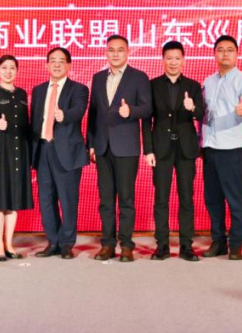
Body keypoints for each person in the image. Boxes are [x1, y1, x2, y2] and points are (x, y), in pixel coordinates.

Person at [87, 35, 152, 262]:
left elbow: (148, 109)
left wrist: (131, 111)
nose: (115, 54)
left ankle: (126, 245)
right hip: (102, 147)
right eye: (111, 50)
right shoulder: (97, 78)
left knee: (126, 199)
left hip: (126, 148)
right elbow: (93, 113)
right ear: (106, 52)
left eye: (120, 50)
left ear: (128, 52)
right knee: (105, 200)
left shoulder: (139, 77)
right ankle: (107, 244)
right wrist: (91, 144)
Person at [142, 41, 205, 260]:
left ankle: (187, 245)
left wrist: (192, 108)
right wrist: (148, 150)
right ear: (163, 60)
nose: (173, 62)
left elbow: (201, 114)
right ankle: (162, 245)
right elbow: (146, 121)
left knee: (186, 198)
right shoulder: (152, 85)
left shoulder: (193, 86)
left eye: (177, 58)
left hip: (186, 149)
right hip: (161, 149)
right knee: (161, 198)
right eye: (169, 58)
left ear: (184, 60)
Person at [201, 35, 242, 260]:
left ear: (237, 54)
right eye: (220, 50)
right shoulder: (208, 81)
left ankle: (235, 244)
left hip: (232, 148)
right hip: (209, 147)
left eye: (230, 50)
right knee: (212, 199)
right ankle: (218, 241)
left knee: (234, 198)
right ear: (214, 54)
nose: (225, 54)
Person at [30, 47, 90, 259]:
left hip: (67, 152)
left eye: (61, 61)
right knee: (46, 199)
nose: (57, 64)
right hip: (43, 150)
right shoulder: (38, 90)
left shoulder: (79, 89)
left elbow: (79, 111)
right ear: (47, 65)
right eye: (53, 61)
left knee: (68, 200)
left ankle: (66, 243)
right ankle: (53, 241)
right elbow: (34, 121)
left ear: (69, 65)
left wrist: (64, 115)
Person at [0, 55, 33, 261]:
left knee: (13, 200)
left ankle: (9, 244)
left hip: (19, 151)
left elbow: (26, 123)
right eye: (4, 67)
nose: (8, 71)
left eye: (12, 68)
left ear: (17, 71)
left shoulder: (21, 94)